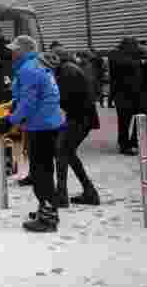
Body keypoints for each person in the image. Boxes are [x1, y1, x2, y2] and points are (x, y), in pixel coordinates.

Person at [0, 35, 64, 233]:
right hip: (49, 122)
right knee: (44, 170)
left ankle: (48, 218)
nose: (12, 52)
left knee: (40, 172)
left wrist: (10, 121)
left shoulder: (28, 69)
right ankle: (47, 210)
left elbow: (28, 103)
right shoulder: (36, 65)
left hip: (41, 125)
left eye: (15, 49)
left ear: (23, 50)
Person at [42, 50, 102, 206]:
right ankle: (89, 192)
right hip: (79, 117)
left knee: (62, 151)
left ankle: (62, 196)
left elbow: (64, 97)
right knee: (67, 153)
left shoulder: (68, 71)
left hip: (80, 118)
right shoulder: (66, 69)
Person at [108, 37, 147, 155]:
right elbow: (123, 64)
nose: (137, 47)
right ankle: (124, 145)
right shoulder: (115, 54)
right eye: (134, 45)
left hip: (139, 94)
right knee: (124, 121)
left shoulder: (139, 55)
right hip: (123, 95)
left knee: (145, 115)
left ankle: (134, 140)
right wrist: (140, 62)